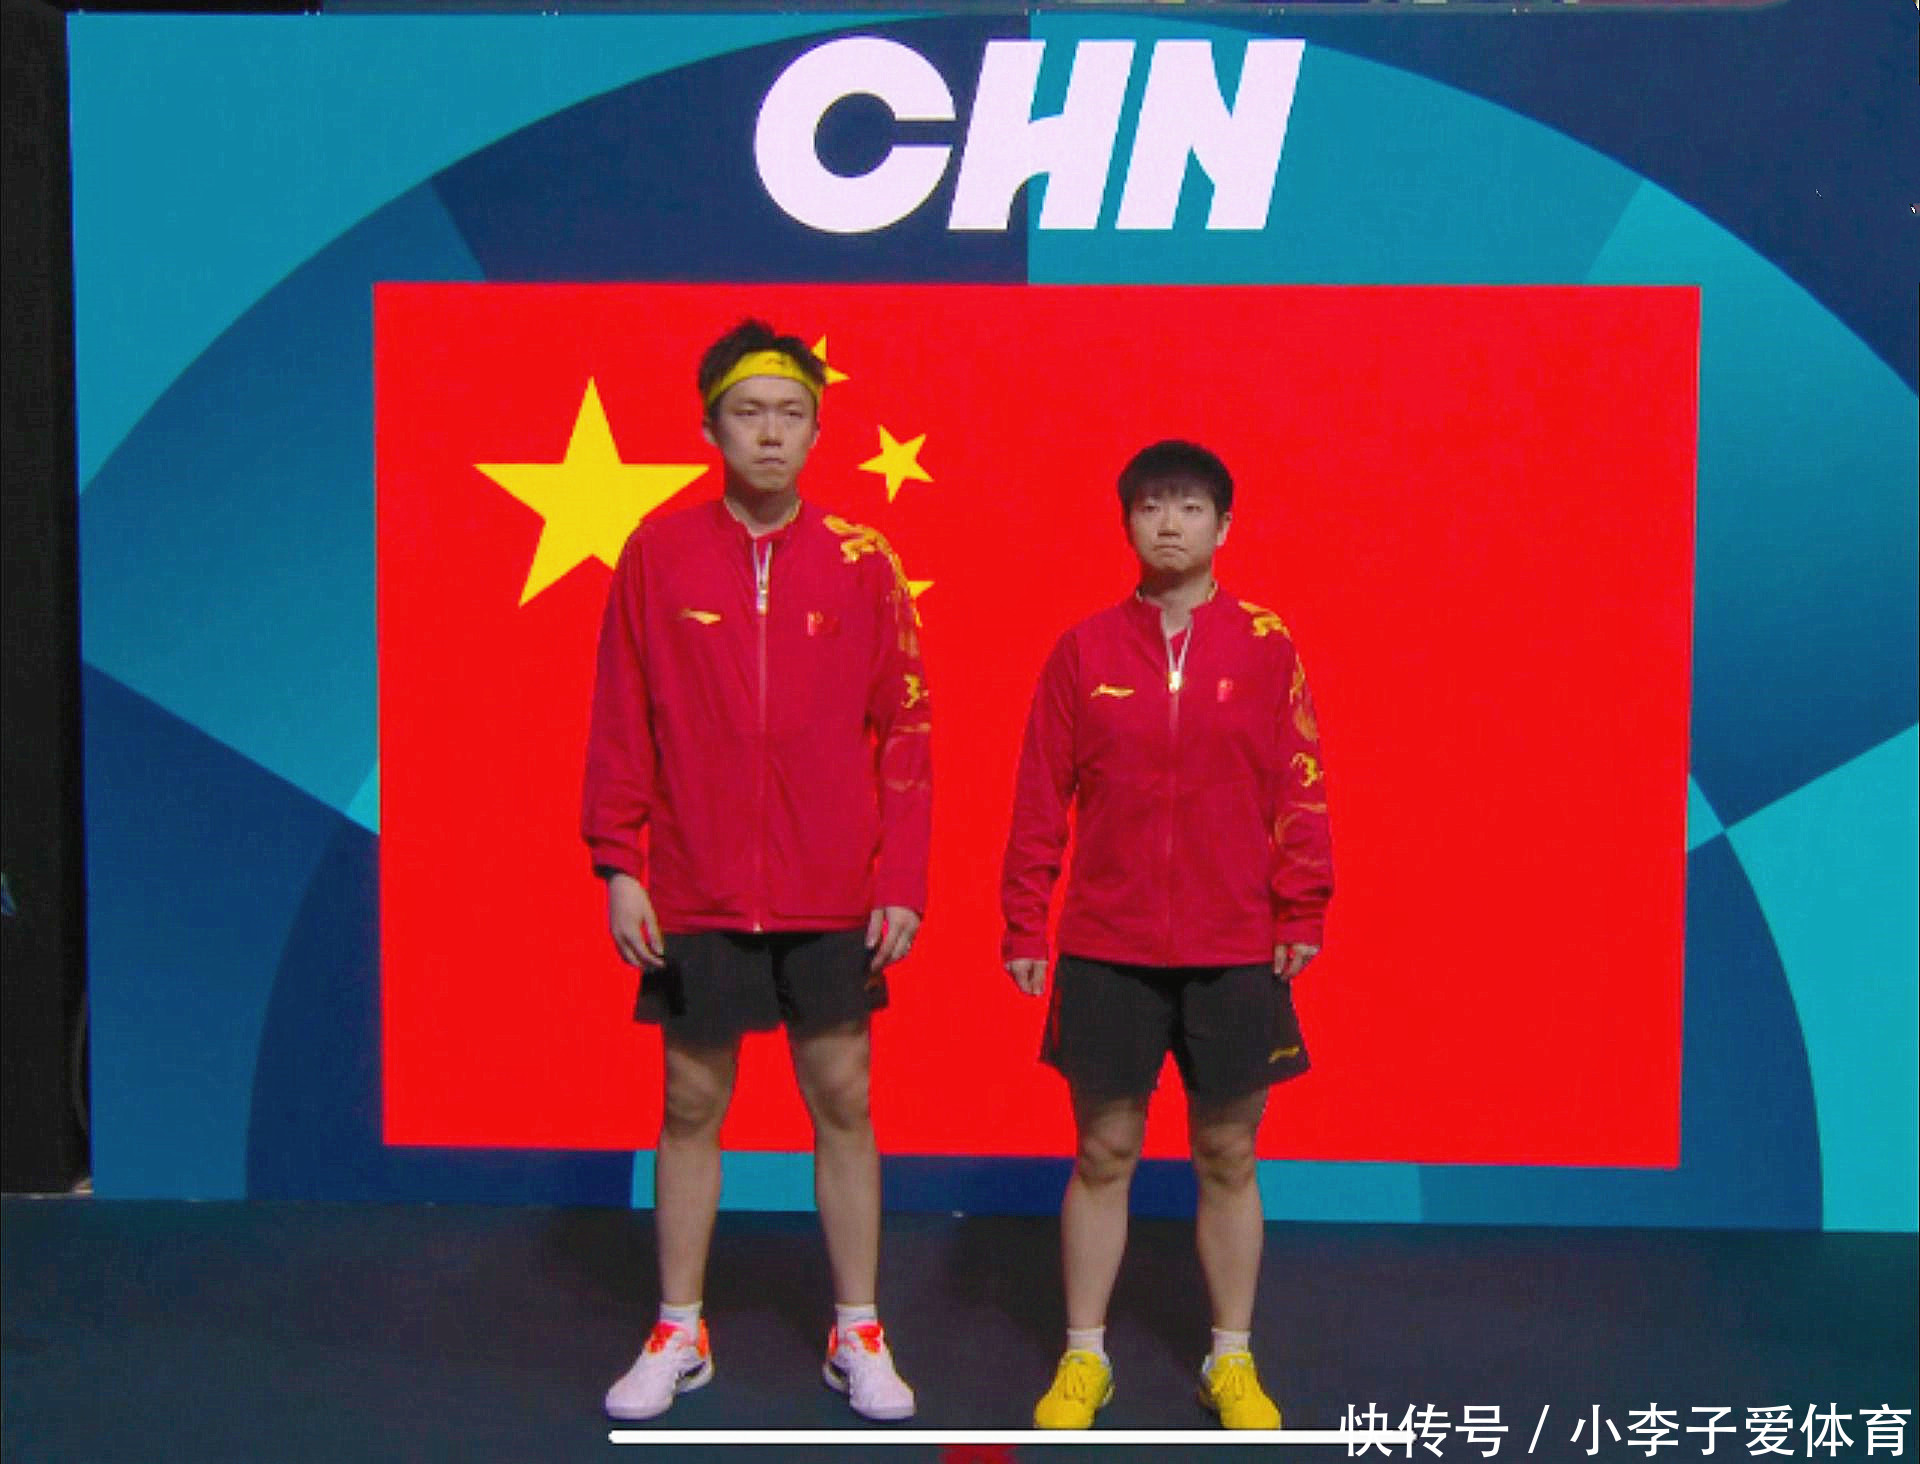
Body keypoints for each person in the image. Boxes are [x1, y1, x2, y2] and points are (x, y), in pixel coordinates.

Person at [582, 319, 931, 1423]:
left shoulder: (866, 561)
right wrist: (619, 862)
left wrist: (901, 875)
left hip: (831, 890)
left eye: (791, 415)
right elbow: (622, 717)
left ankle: (857, 1330)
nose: (770, 435)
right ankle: (678, 1329)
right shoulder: (657, 552)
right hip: (695, 883)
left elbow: (908, 729)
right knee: (691, 1100)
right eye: (749, 414)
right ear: (711, 429)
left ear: (818, 432)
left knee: (844, 1098)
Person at [1000, 439, 1332, 1431]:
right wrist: (1025, 918)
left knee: (1228, 1152)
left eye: (1189, 507)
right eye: (1151, 507)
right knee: (1104, 1149)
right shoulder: (1083, 652)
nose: (1170, 523)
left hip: (1234, 945)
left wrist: (1302, 904)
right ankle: (1083, 1357)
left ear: (1224, 525)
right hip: (1109, 945)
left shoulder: (1267, 646)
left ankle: (1231, 1359)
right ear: (1127, 524)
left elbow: (1301, 782)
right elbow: (1038, 796)